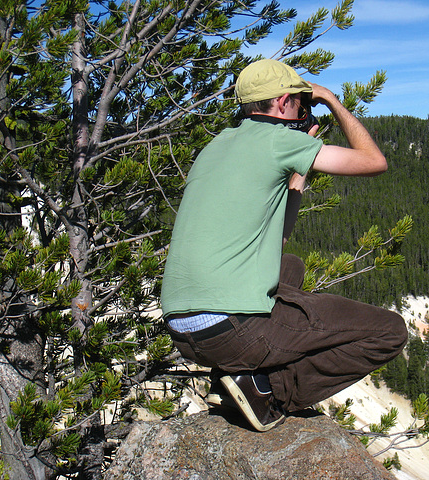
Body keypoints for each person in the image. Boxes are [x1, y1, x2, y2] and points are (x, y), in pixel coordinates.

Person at [161, 59, 407, 432]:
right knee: (390, 332)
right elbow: (374, 161)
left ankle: (228, 377)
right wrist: (331, 100)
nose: (301, 107)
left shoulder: (218, 144)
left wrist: (299, 171)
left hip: (184, 331)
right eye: (298, 100)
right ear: (281, 102)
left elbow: (278, 240)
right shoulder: (280, 140)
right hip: (233, 330)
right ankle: (265, 390)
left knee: (289, 265)